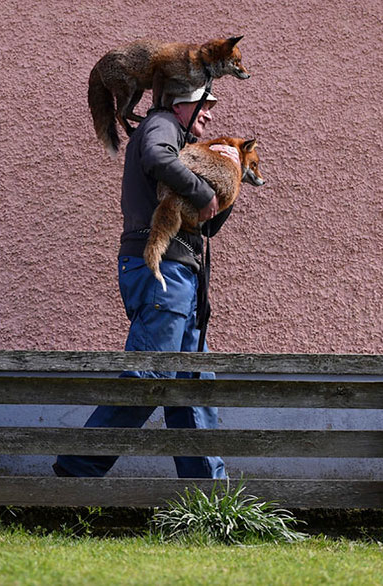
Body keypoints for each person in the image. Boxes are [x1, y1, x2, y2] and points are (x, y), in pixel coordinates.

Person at [54, 88, 234, 479]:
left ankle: (208, 496)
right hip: (162, 272)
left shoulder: (185, 146)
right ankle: (75, 475)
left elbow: (210, 224)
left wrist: (229, 178)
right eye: (204, 106)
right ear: (180, 103)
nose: (208, 116)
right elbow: (155, 156)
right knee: (150, 375)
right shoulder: (161, 124)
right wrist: (203, 189)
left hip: (181, 273)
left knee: (193, 382)